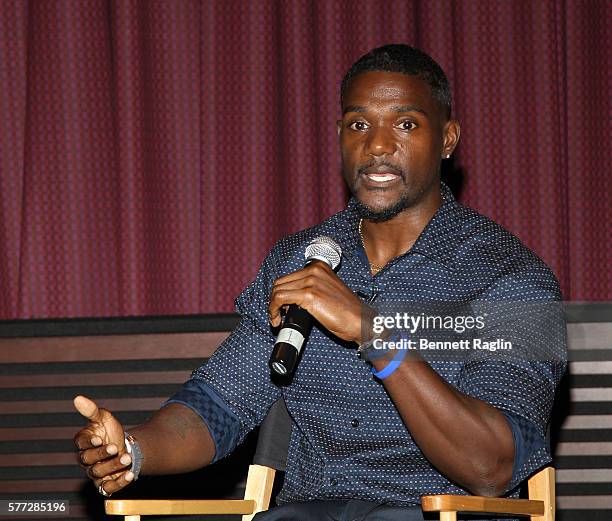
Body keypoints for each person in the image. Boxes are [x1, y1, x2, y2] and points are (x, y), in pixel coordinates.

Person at [74, 44, 566, 521]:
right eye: (358, 125)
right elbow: (219, 406)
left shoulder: (512, 278)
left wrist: (372, 332)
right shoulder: (303, 262)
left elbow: (493, 465)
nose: (377, 146)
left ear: (447, 140)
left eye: (406, 124)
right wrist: (132, 451)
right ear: (339, 135)